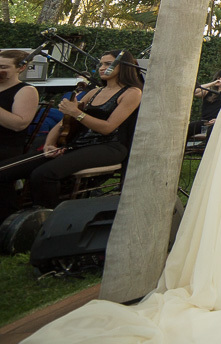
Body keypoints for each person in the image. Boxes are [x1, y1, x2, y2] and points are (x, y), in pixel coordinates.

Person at [0, 50, 142, 221]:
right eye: (101, 64)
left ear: (124, 67)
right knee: (5, 170)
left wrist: (76, 113)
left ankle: (51, 222)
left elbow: (108, 128)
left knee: (43, 174)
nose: (102, 68)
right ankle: (9, 219)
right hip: (80, 144)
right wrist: (49, 144)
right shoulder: (94, 92)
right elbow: (62, 123)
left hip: (109, 146)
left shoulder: (132, 92)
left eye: (108, 64)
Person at [0, 50, 38, 162]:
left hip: (6, 147)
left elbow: (18, 125)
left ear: (21, 68)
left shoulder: (26, 90)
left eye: (3, 67)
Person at [190, 68, 221, 137]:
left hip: (218, 122)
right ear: (219, 77)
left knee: (211, 132)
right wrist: (213, 83)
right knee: (189, 128)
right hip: (205, 122)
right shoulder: (208, 91)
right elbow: (194, 91)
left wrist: (218, 120)